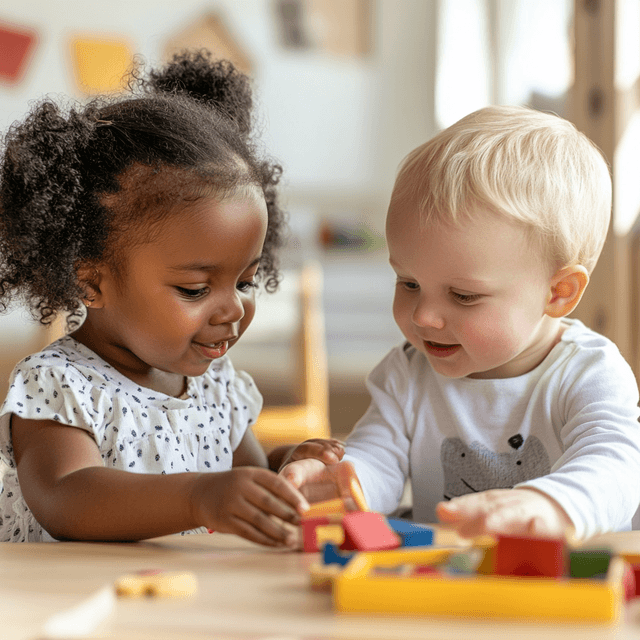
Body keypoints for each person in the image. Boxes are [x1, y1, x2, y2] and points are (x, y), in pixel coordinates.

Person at [0, 51, 343, 544]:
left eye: (244, 282)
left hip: (171, 604)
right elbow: (67, 497)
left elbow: (238, 473)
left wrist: (287, 469)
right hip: (68, 604)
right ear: (90, 282)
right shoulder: (60, 385)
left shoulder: (216, 387)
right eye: (196, 290)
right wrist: (198, 497)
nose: (233, 309)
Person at [281, 105, 640, 541]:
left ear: (557, 292)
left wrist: (550, 506)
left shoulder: (589, 373)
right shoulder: (407, 374)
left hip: (569, 591)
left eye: (464, 296)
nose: (423, 316)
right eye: (409, 283)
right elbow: (377, 460)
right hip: (453, 582)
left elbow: (618, 469)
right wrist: (340, 482)